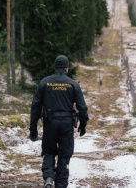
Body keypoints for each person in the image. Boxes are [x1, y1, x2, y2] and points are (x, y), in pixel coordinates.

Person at [29, 55, 89, 188]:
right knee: (65, 154)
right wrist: (83, 125)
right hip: (67, 124)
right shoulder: (73, 84)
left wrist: (33, 128)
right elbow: (82, 108)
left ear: (55, 67)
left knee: (49, 151)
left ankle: (49, 177)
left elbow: (36, 106)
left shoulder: (45, 83)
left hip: (50, 122)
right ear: (67, 68)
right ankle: (61, 184)